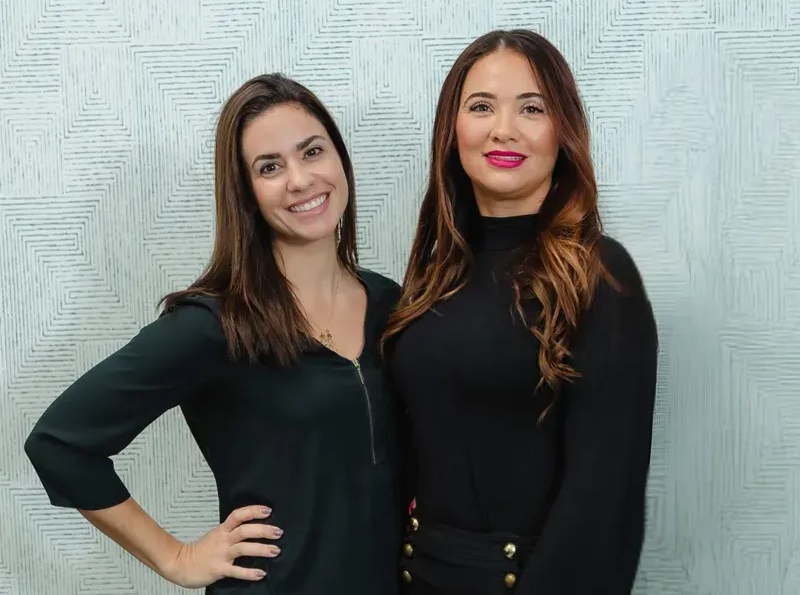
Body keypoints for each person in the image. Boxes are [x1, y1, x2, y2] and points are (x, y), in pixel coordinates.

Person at [24, 73, 407, 595]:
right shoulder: (214, 325)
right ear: (245, 193)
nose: (299, 179)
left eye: (312, 151)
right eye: (269, 167)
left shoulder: (392, 303)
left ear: (340, 160)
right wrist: (177, 557)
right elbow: (59, 445)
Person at [382, 29, 659, 594]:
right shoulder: (434, 272)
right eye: (481, 106)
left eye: (532, 108)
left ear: (564, 130)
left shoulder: (599, 273)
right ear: (451, 129)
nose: (503, 128)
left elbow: (604, 498)